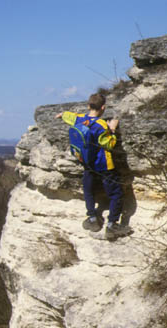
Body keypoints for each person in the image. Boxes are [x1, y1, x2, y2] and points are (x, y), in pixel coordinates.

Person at [55, 93, 130, 239]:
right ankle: (112, 225)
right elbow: (109, 144)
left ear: (89, 106)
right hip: (104, 165)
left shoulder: (80, 119)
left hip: (87, 163)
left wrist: (62, 114)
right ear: (103, 108)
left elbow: (70, 116)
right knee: (116, 193)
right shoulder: (101, 125)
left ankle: (92, 219)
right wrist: (112, 129)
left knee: (88, 190)